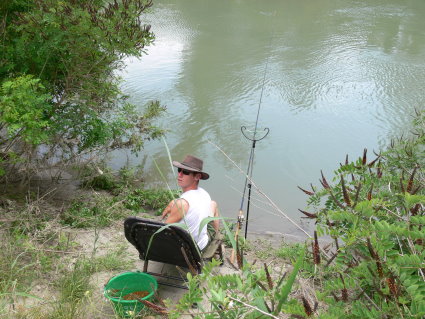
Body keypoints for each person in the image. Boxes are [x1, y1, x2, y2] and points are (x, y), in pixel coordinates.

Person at [161, 155, 219, 250]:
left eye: (186, 172)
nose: (180, 175)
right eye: (179, 170)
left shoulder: (182, 204)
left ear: (197, 176)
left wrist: (176, 204)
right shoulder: (204, 194)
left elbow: (163, 231)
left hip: (186, 251)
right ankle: (216, 237)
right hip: (202, 244)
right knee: (213, 204)